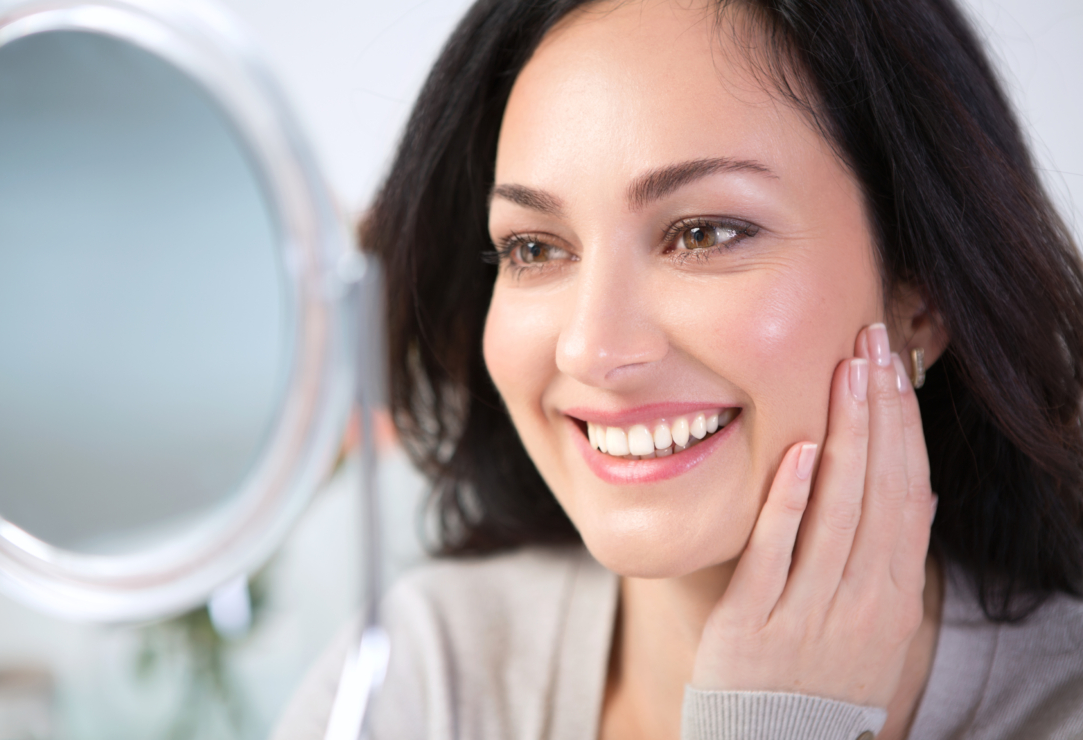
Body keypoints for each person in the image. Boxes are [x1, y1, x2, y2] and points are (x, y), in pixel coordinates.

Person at [272, 0, 1083, 737]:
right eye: (534, 248)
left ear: (921, 299)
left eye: (703, 233)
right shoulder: (419, 681)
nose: (591, 349)